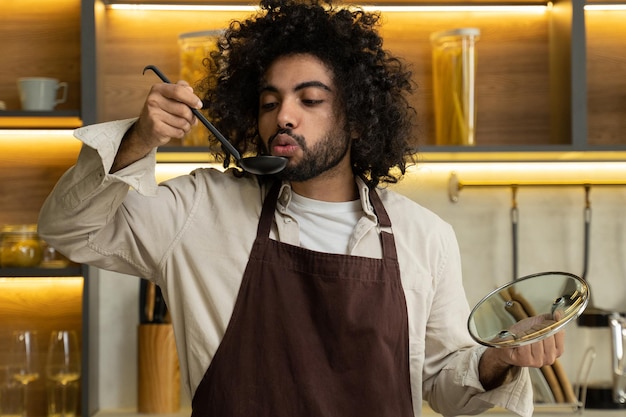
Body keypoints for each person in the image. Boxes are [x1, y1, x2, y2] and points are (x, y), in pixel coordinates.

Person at [38, 0, 564, 416]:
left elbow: (446, 388)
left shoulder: (423, 235)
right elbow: (69, 230)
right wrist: (136, 140)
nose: (283, 115)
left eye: (309, 100)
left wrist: (498, 359)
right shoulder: (199, 209)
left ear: (356, 120)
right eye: (269, 103)